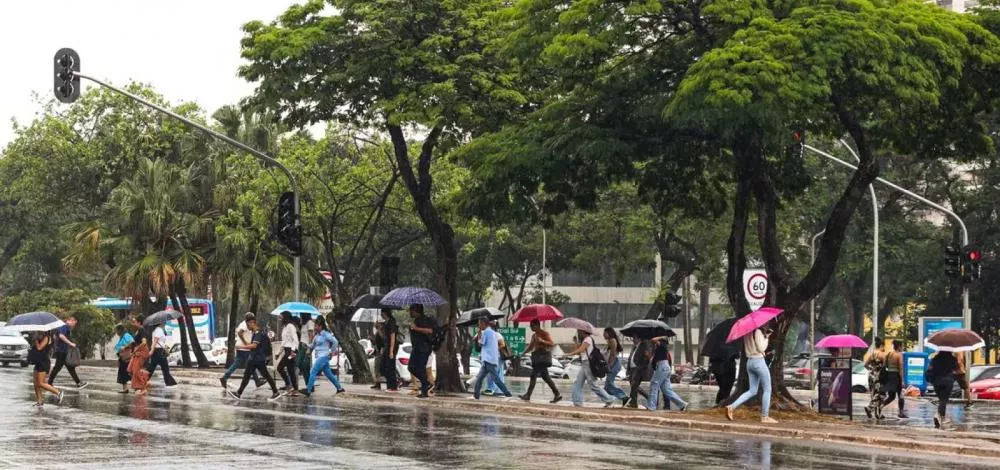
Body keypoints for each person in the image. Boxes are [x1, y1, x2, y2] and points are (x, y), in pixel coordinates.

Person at [726, 326, 776, 423]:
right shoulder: (757, 331)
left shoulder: (747, 332)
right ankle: (765, 417)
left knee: (752, 390)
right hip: (759, 362)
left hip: (750, 362)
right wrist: (766, 337)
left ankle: (731, 407)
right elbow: (761, 348)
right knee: (767, 389)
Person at [230, 316, 280, 400]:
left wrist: (240, 347)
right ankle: (275, 392)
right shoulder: (258, 333)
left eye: (248, 324)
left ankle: (238, 393)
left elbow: (254, 345)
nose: (248, 327)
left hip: (256, 358)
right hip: (257, 358)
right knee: (261, 375)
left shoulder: (258, 333)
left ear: (252, 322)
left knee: (249, 375)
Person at [567, 329, 615, 408]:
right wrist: (575, 342)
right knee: (578, 382)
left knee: (593, 385)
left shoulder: (588, 339)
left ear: (584, 331)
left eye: (579, 331)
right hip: (584, 363)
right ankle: (577, 402)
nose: (578, 333)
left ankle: (609, 399)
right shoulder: (584, 340)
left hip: (588, 364)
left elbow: (581, 349)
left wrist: (568, 354)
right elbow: (579, 351)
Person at [301, 317, 346, 397]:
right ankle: (340, 388)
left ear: (321, 326)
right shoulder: (317, 335)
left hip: (324, 356)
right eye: (315, 326)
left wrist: (331, 352)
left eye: (316, 326)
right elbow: (313, 345)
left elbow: (335, 342)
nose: (315, 328)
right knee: (329, 374)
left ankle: (308, 390)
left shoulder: (325, 334)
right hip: (319, 356)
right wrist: (306, 345)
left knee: (313, 371)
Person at [519, 319, 562, 403]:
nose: (531, 327)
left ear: (537, 325)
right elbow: (530, 347)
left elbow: (551, 343)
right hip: (537, 358)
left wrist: (542, 341)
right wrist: (523, 353)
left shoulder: (544, 333)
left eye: (532, 325)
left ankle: (528, 395)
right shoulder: (534, 335)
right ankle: (557, 394)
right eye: (530, 326)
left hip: (541, 358)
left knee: (533, 375)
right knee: (546, 377)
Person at [470, 317, 513, 400]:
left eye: (479, 324)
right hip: (488, 360)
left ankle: (508, 395)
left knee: (496, 379)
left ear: (483, 324)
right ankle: (476, 396)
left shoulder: (486, 332)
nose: (479, 326)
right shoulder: (492, 333)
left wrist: (478, 335)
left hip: (489, 360)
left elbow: (481, 344)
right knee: (480, 378)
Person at [220, 313, 262, 390]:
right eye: (251, 319)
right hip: (243, 348)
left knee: (245, 364)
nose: (252, 321)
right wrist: (246, 343)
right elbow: (240, 333)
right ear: (247, 319)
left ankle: (257, 381)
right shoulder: (244, 325)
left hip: (244, 348)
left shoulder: (248, 324)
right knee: (249, 364)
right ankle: (257, 381)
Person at [646, 335, 688, 412]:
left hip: (662, 366)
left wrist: (662, 337)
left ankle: (651, 406)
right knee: (666, 389)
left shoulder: (663, 344)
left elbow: (653, 339)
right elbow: (654, 359)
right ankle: (682, 404)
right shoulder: (660, 347)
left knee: (654, 384)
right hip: (663, 367)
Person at [49, 315, 87, 389]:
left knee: (69, 367)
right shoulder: (64, 326)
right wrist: (70, 343)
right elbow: (61, 336)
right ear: (71, 320)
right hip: (61, 351)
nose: (74, 324)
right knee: (58, 367)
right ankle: (49, 383)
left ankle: (78, 383)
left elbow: (56, 336)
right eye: (74, 322)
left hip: (62, 350)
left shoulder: (65, 327)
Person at [408, 304, 437, 398]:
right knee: (411, 367)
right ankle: (426, 384)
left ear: (416, 311)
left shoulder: (424, 320)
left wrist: (416, 328)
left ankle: (425, 389)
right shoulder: (416, 321)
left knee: (419, 368)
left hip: (423, 348)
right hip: (416, 348)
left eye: (411, 311)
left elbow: (430, 331)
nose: (409, 313)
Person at [29, 331, 63, 407]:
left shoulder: (47, 337)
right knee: (35, 383)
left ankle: (58, 392)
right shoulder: (40, 336)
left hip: (43, 362)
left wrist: (36, 341)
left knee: (41, 383)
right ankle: (39, 401)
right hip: (38, 361)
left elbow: (39, 347)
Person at [927, 350, 959, 429]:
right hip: (948, 381)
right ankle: (938, 415)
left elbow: (930, 369)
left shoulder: (935, 358)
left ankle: (942, 417)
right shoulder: (953, 359)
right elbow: (957, 370)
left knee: (941, 400)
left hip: (936, 382)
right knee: (943, 400)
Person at [879, 340, 907, 418]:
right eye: (902, 346)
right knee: (901, 395)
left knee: (891, 396)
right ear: (899, 347)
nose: (903, 348)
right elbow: (900, 369)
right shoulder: (899, 355)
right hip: (896, 377)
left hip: (889, 376)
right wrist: (902, 381)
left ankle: (880, 406)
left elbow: (884, 365)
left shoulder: (889, 354)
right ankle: (901, 413)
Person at [146, 319, 177, 388]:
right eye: (164, 322)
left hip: (158, 351)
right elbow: (155, 341)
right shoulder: (158, 330)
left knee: (152, 367)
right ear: (160, 323)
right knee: (165, 367)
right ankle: (170, 383)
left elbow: (160, 342)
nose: (165, 323)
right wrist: (151, 350)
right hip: (158, 351)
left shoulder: (157, 330)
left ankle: (142, 380)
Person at [603, 327, 629, 406]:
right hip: (613, 363)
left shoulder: (612, 340)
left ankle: (624, 397)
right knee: (608, 385)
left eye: (605, 333)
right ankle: (610, 400)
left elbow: (613, 355)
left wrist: (609, 366)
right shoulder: (610, 341)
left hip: (614, 363)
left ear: (609, 333)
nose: (603, 335)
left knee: (608, 383)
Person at [277, 311, 300, 396]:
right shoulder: (285, 327)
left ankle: (290, 387)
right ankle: (293, 389)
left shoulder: (291, 326)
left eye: (281, 317)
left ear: (285, 317)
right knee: (290, 371)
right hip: (286, 350)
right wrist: (278, 352)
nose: (280, 319)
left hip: (290, 351)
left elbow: (295, 340)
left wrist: (293, 351)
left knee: (280, 368)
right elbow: (284, 342)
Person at [864, 338, 888, 419]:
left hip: (871, 376)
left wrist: (872, 370)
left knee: (874, 394)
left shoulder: (872, 354)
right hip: (879, 377)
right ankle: (870, 408)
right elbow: (885, 366)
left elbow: (865, 365)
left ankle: (877, 414)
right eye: (884, 346)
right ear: (881, 345)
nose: (884, 348)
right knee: (881, 394)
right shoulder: (882, 354)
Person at [626, 336, 651, 409]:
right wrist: (628, 369)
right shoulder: (634, 347)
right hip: (632, 369)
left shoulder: (644, 345)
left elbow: (647, 357)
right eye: (633, 338)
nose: (633, 340)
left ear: (639, 338)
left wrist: (641, 366)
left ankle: (634, 402)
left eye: (635, 338)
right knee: (634, 386)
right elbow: (630, 357)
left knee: (634, 385)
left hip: (638, 369)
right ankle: (636, 401)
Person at [128, 316, 152, 395]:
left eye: (134, 322)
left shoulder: (141, 329)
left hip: (142, 352)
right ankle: (142, 384)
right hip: (137, 352)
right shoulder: (138, 330)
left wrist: (136, 349)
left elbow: (144, 342)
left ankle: (142, 388)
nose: (133, 323)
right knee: (131, 369)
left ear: (139, 322)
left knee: (136, 370)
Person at [485, 321, 508, 395]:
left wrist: (494, 349)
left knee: (492, 373)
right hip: (492, 357)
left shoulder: (497, 335)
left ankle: (491, 389)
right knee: (497, 373)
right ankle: (499, 390)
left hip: (497, 357)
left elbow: (502, 345)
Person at [380, 308, 399, 392]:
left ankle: (393, 386)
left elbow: (392, 337)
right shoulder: (385, 323)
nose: (381, 315)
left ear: (385, 313)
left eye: (382, 313)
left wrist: (391, 351)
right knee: (384, 367)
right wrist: (378, 329)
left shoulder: (392, 322)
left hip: (392, 346)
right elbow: (383, 337)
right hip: (386, 346)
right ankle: (391, 384)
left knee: (390, 366)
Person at [114, 324, 135, 394]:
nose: (116, 332)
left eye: (117, 330)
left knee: (130, 372)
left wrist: (124, 347)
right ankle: (125, 389)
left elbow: (132, 342)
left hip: (127, 357)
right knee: (122, 373)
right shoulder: (122, 337)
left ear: (120, 330)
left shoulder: (126, 335)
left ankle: (138, 387)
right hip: (122, 357)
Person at [299, 312, 316, 387]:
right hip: (301, 345)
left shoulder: (310, 323)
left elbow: (311, 336)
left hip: (306, 346)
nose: (300, 316)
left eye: (301, 315)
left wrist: (309, 348)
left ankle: (309, 386)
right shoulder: (304, 323)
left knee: (303, 365)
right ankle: (309, 385)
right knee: (301, 365)